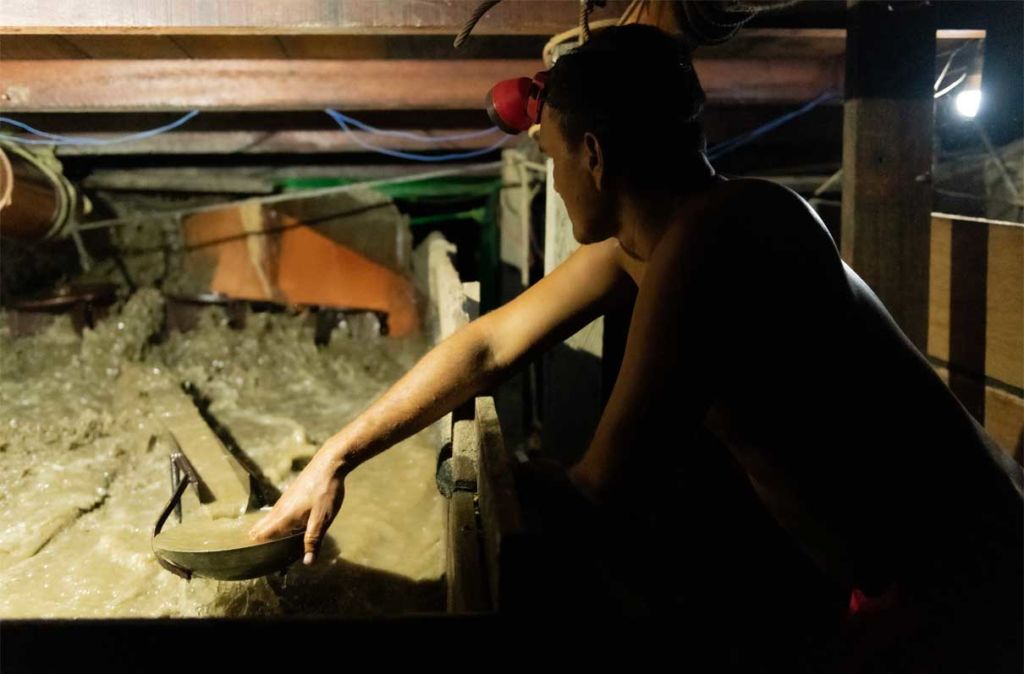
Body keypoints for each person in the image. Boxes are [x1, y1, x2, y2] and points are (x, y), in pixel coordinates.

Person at [251, 24, 1021, 668]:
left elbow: (600, 490)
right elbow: (487, 346)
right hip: (892, 579)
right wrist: (338, 456)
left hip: (970, 579)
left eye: (552, 159)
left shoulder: (717, 239)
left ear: (593, 154)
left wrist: (480, 480)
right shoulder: (653, 244)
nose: (555, 181)